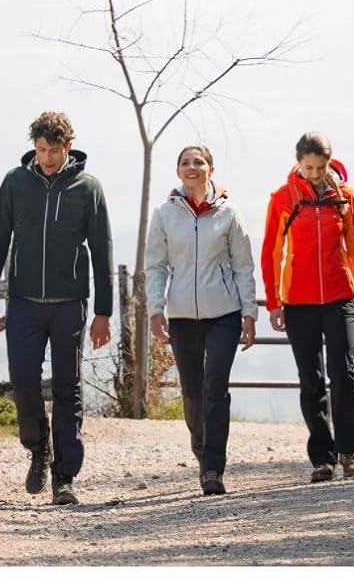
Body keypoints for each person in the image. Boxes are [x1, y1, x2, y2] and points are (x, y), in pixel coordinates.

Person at [0, 111, 113, 505]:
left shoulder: (88, 188)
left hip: (69, 304)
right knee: (23, 380)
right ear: (33, 147)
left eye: (54, 151)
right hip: (23, 303)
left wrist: (103, 312)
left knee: (68, 387)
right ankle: (39, 449)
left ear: (68, 147)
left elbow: (102, 251)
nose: (48, 159)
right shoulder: (15, 183)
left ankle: (64, 477)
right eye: (41, 150)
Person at [261, 132, 354, 483]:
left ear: (329, 162)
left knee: (344, 373)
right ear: (298, 162)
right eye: (308, 167)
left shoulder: (344, 196)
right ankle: (322, 459)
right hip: (299, 302)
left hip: (341, 297)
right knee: (311, 380)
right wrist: (274, 302)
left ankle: (349, 451)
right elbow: (271, 253)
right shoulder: (283, 198)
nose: (314, 174)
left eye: (320, 167)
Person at [145, 145, 258, 496]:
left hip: (224, 314)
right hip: (182, 317)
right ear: (178, 171)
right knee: (192, 393)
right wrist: (155, 309)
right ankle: (201, 450)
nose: (191, 167)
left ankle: (213, 468)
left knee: (215, 388)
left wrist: (249, 312)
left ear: (211, 168)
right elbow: (156, 266)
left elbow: (243, 266)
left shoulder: (229, 212)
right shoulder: (164, 214)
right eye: (185, 162)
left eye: (198, 162)